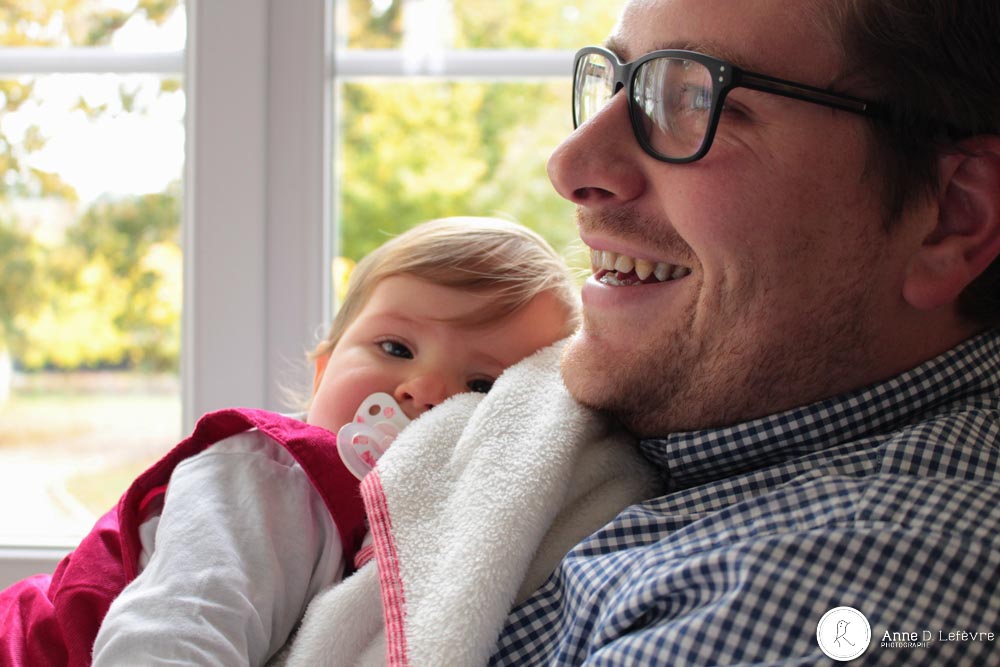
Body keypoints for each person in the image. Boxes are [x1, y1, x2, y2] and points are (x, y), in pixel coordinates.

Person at [479, 0, 1000, 664]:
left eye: (693, 96)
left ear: (951, 217)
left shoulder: (834, 590)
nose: (571, 165)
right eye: (620, 84)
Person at [0, 217, 580, 666]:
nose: (423, 389)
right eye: (396, 348)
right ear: (323, 371)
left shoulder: (445, 534)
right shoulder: (276, 475)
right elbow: (177, 628)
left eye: (481, 384)